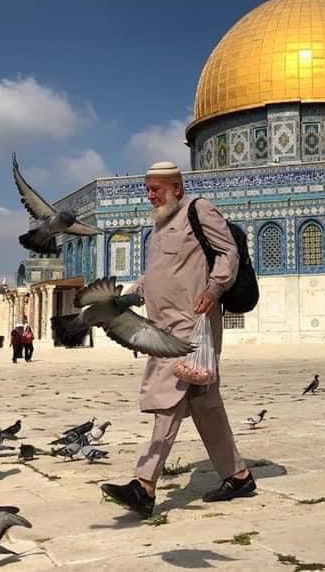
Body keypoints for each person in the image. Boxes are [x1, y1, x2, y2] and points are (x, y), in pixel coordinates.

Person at [101, 161, 253, 517]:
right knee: (204, 402)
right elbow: (157, 273)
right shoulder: (160, 225)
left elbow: (228, 252)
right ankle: (238, 476)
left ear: (177, 189)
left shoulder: (199, 210)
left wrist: (214, 289)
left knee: (168, 399)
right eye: (147, 189)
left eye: (155, 189)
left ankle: (144, 484)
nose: (149, 195)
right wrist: (129, 296)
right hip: (164, 324)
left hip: (191, 323)